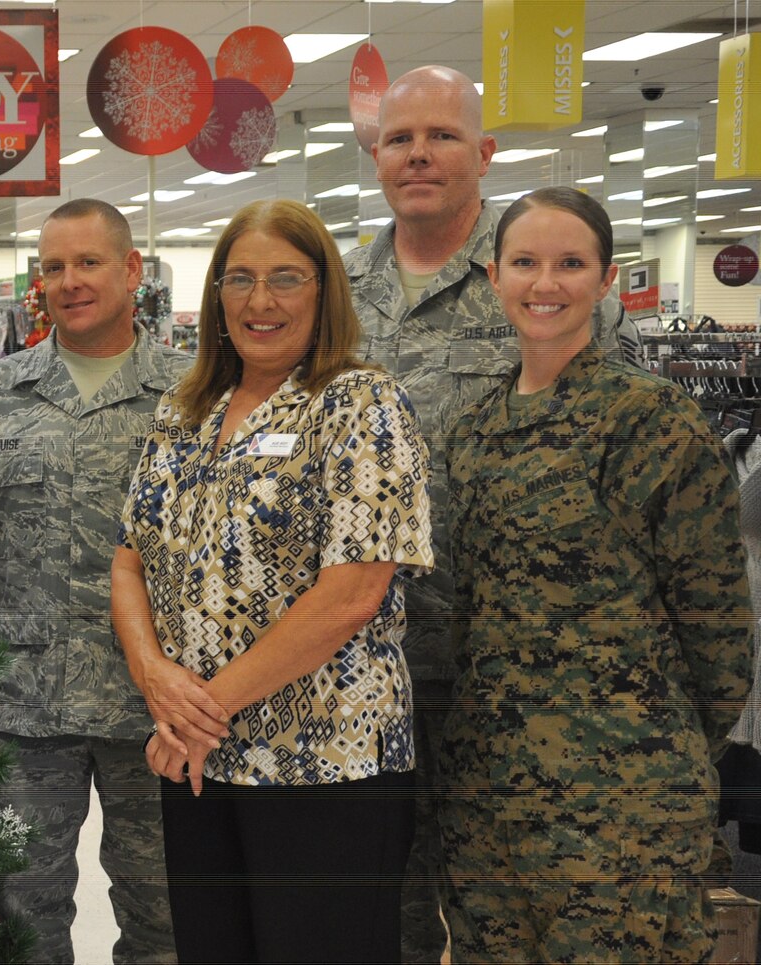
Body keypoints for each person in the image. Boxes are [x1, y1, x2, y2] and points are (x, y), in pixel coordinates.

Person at [342, 64, 640, 962]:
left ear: (485, 152)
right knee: (374, 908)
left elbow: (617, 471)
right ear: (376, 153)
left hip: (512, 670)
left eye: (441, 136)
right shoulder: (332, 295)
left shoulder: (543, 283)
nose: (419, 154)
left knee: (501, 913)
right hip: (359, 667)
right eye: (399, 138)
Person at [114, 198, 432, 962]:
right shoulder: (185, 410)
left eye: (286, 278)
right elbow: (129, 555)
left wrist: (201, 710)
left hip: (324, 764)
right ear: (217, 295)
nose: (261, 301)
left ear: (325, 291)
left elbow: (353, 592)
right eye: (241, 278)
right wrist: (155, 677)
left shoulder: (361, 403)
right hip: (202, 761)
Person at [438, 186, 750, 961]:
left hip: (623, 802)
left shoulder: (655, 421)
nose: (546, 284)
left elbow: (718, 633)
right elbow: (468, 612)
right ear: (493, 276)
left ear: (607, 280)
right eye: (526, 262)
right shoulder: (475, 431)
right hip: (489, 796)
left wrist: (659, 757)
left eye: (571, 263)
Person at [0, 198, 188, 963]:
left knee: (167, 917)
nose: (70, 281)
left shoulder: (191, 394)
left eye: (88, 263)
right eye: (54, 267)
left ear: (131, 270)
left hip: (159, 707)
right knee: (18, 916)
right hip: (23, 711)